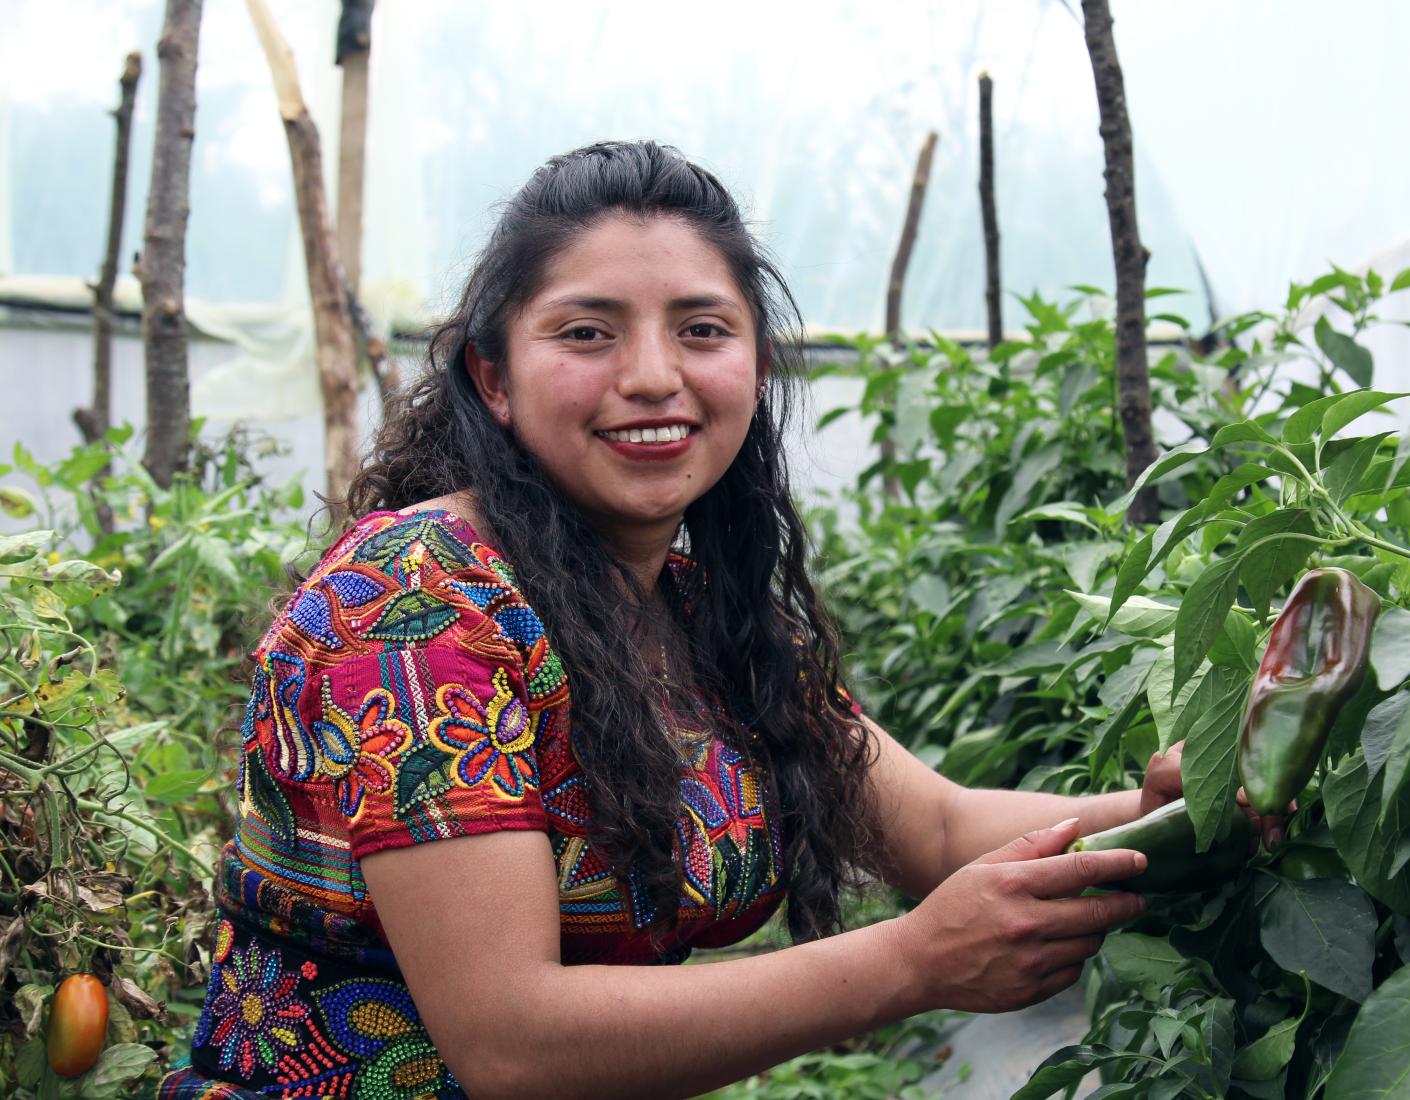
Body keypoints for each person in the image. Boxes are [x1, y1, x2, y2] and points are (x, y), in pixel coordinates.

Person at [159, 141, 1270, 1100]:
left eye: (701, 328)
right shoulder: (416, 606)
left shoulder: (698, 618)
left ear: (752, 362)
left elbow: (934, 828)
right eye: (587, 333)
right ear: (492, 378)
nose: (653, 376)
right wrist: (916, 962)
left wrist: (1186, 812)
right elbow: (508, 1042)